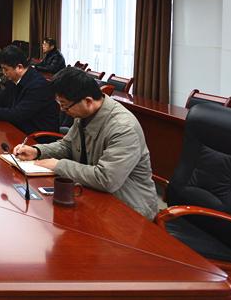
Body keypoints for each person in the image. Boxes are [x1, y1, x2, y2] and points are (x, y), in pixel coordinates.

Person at [12, 67, 158, 219]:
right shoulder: (84, 114)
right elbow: (67, 145)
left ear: (88, 101)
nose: (62, 110)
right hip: (94, 196)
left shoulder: (123, 128)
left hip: (129, 210)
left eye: (65, 105)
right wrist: (38, 151)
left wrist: (58, 165)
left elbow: (106, 179)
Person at [0, 45, 59, 134]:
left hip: (37, 135)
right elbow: (1, 96)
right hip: (19, 128)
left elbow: (18, 114)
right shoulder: (15, 79)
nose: (4, 73)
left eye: (6, 69)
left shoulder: (38, 86)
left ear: (19, 67)